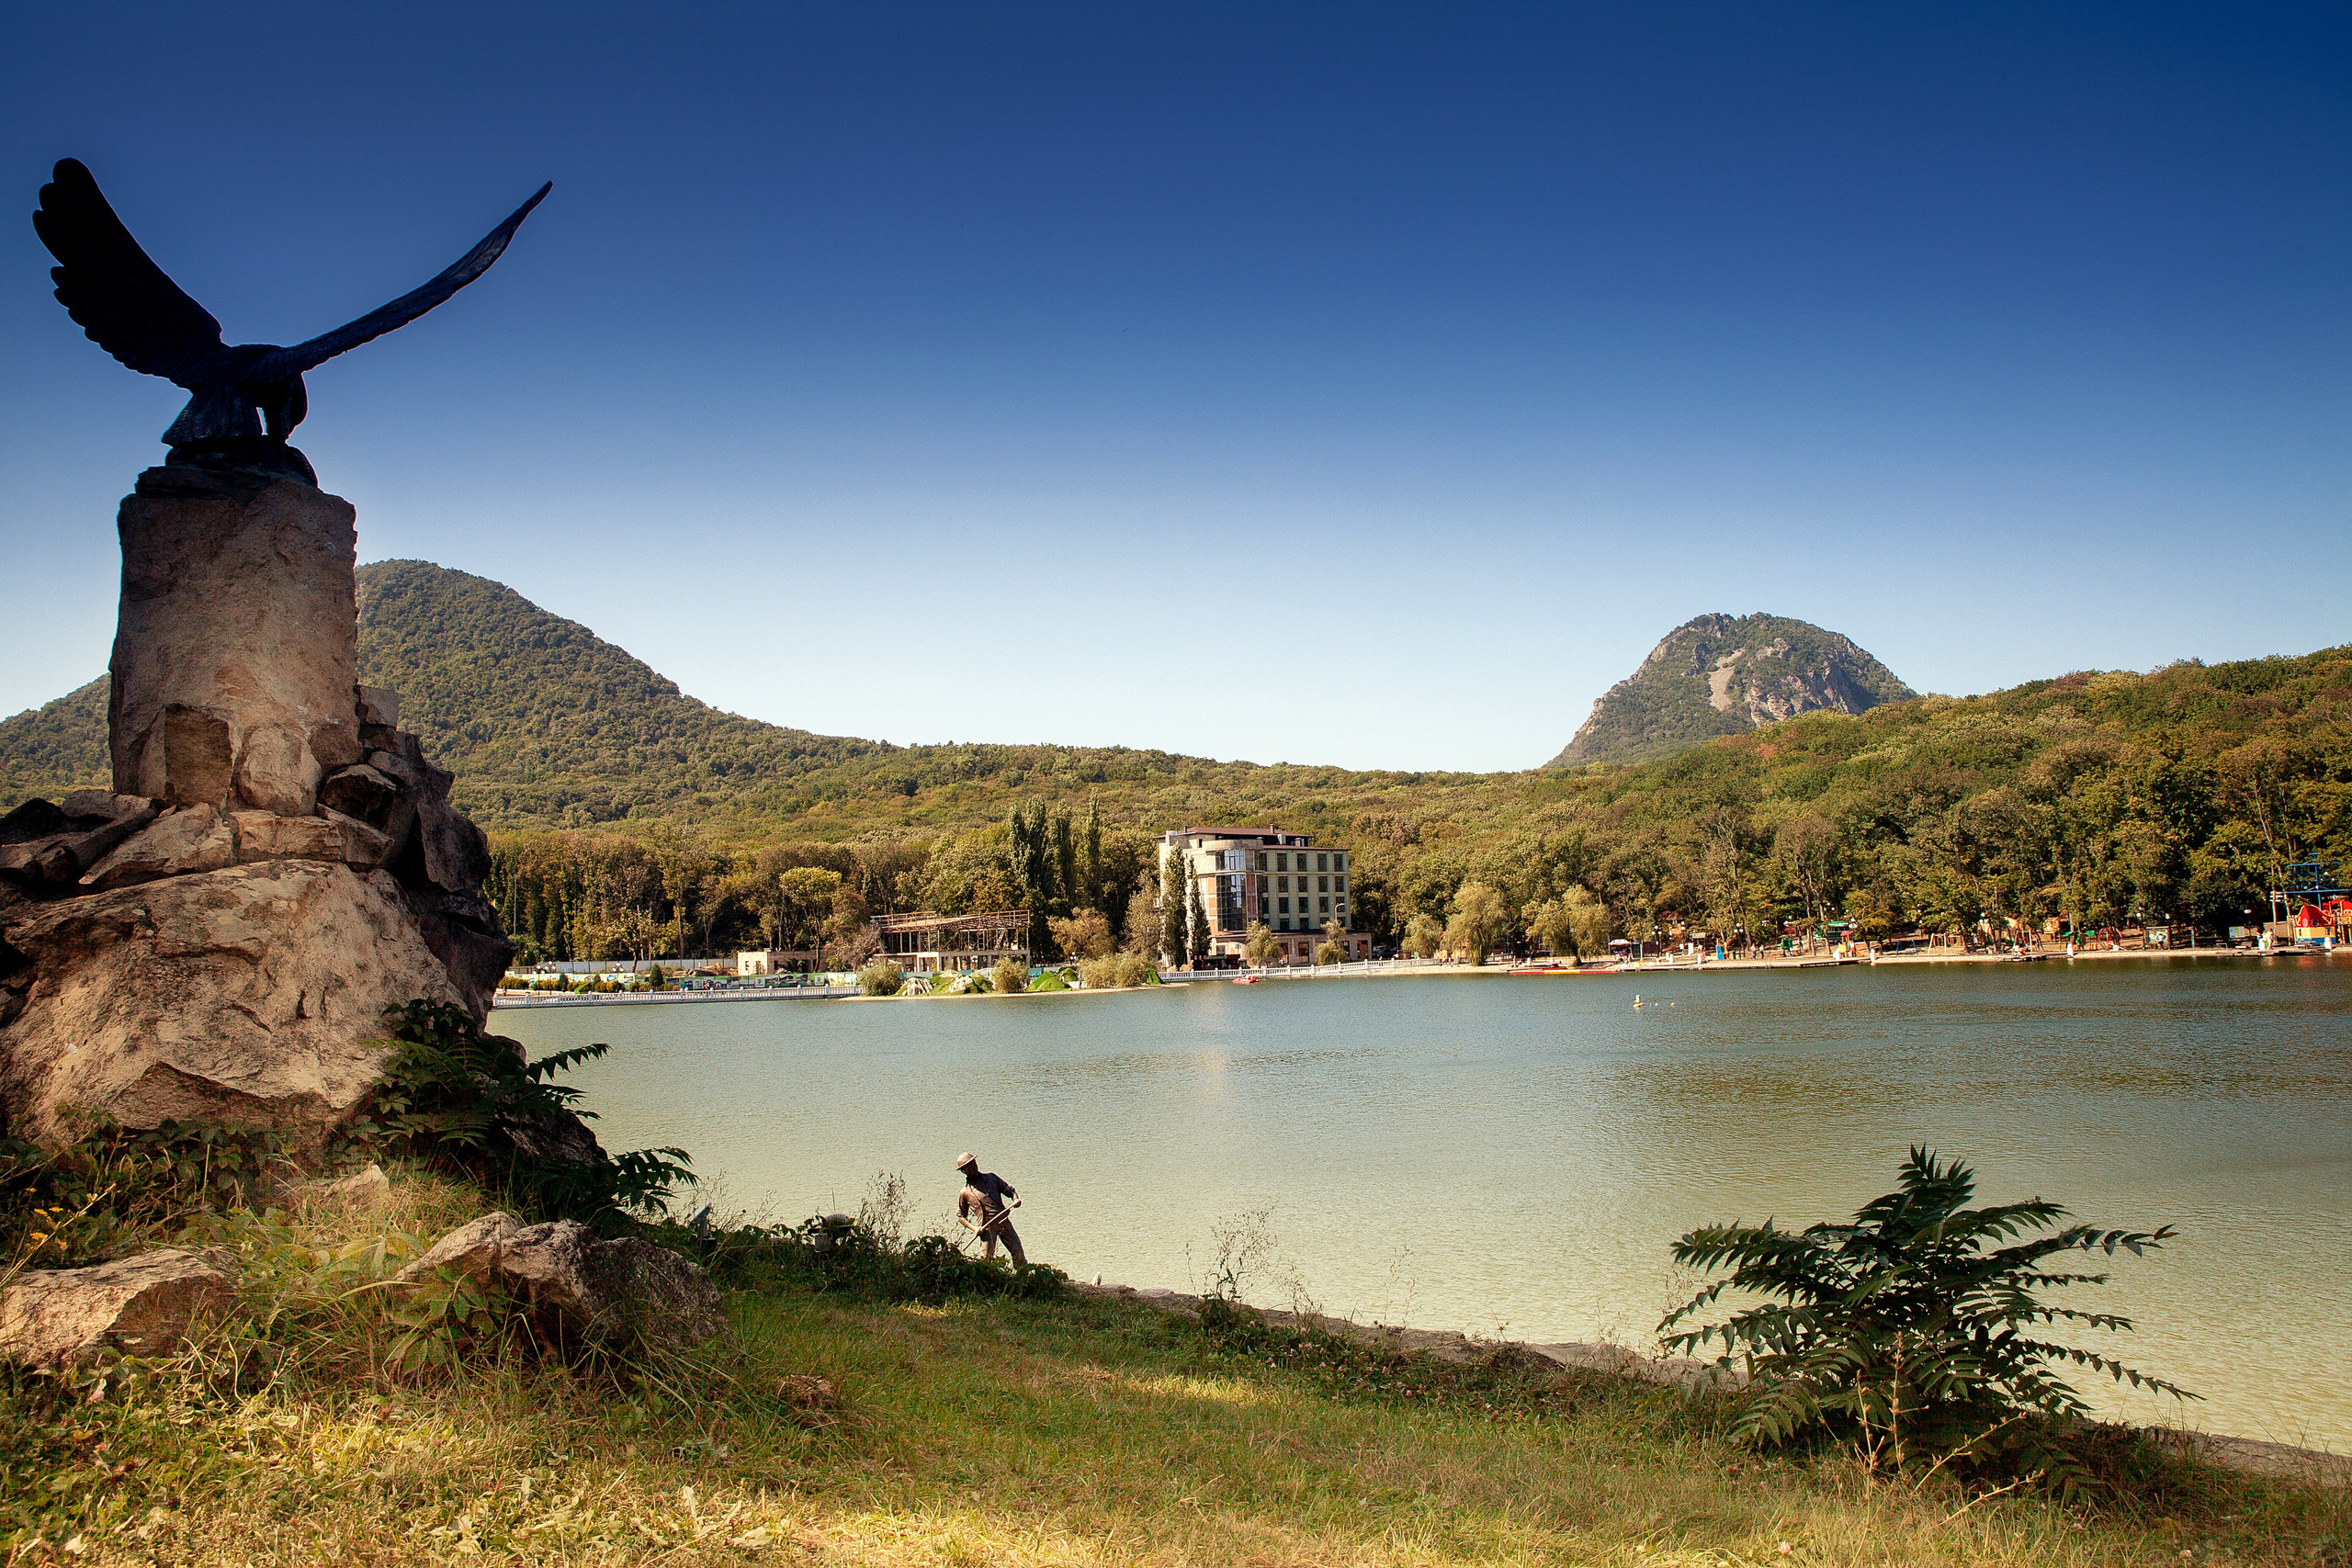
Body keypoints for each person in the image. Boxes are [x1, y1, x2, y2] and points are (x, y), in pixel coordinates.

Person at [955, 1151, 1025, 1265]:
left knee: (1018, 1252)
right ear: (963, 1171)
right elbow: (961, 1215)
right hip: (986, 1229)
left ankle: (1023, 1278)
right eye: (969, 1167)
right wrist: (975, 1229)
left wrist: (1015, 1199)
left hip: (1003, 1221)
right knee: (986, 1260)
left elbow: (1009, 1190)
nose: (973, 1167)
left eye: (973, 1164)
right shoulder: (965, 1193)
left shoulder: (991, 1178)